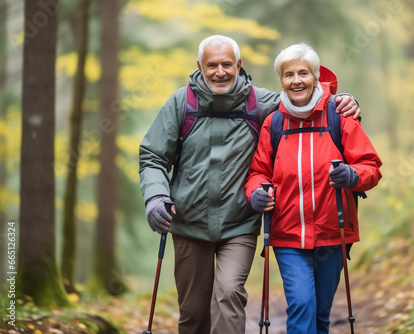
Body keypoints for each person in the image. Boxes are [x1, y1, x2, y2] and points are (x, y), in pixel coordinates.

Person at [138, 35, 360, 334]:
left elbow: (304, 102)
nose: (220, 71)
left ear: (238, 65)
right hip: (188, 223)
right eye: (212, 65)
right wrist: (155, 197)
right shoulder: (182, 103)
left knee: (229, 293)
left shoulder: (260, 102)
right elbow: (153, 155)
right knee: (192, 313)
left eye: (227, 64)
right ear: (200, 66)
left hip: (238, 225)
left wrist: (343, 101)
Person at [245, 43, 382, 334]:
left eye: (303, 73)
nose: (296, 80)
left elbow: (370, 166)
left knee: (320, 314)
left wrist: (352, 175)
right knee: (301, 306)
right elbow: (258, 172)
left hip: (335, 233)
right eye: (289, 74)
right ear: (281, 80)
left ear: (316, 77)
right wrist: (256, 193)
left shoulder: (339, 118)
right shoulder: (275, 122)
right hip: (287, 236)